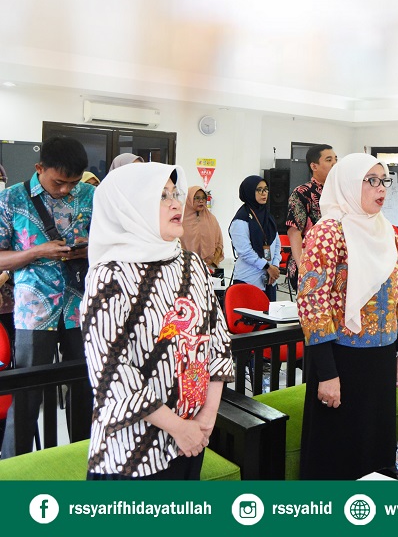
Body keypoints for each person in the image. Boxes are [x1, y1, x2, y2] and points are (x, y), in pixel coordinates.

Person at [81, 162, 233, 479]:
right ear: (131, 208)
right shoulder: (110, 275)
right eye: (162, 196)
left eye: (175, 193)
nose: (176, 203)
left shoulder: (191, 264)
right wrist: (177, 427)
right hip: (133, 451)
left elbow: (218, 340)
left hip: (192, 438)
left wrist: (206, 418)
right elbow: (112, 371)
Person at [297, 153, 398, 480]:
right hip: (340, 359)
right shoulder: (327, 233)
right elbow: (312, 305)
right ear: (347, 184)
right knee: (338, 452)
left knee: (375, 447)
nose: (381, 188)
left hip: (381, 358)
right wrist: (327, 374)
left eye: (384, 180)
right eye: (371, 180)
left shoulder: (387, 232)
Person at [0, 136, 94, 457]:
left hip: (80, 309)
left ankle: (82, 463)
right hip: (33, 313)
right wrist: (37, 251)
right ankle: (13, 470)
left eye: (73, 183)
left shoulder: (91, 197)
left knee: (84, 391)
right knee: (27, 394)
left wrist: (86, 251)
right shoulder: (11, 199)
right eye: (58, 182)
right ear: (39, 168)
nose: (66, 189)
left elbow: (112, 246)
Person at [286, 144, 337, 289]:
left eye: (335, 159)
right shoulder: (302, 193)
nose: (334, 164)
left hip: (334, 262)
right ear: (314, 166)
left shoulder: (339, 192)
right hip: (310, 262)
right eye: (329, 160)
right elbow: (294, 231)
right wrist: (303, 266)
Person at [229, 177, 281, 301]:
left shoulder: (268, 216)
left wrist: (275, 266)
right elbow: (245, 251)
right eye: (259, 190)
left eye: (266, 189)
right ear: (249, 191)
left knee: (269, 313)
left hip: (269, 280)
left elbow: (277, 244)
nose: (264, 193)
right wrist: (267, 267)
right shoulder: (241, 220)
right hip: (248, 279)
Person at [180, 187, 224, 273]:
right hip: (185, 267)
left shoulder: (211, 219)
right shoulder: (180, 220)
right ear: (189, 199)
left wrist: (212, 260)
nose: (201, 201)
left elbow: (219, 241)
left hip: (208, 267)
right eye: (197, 198)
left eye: (204, 198)